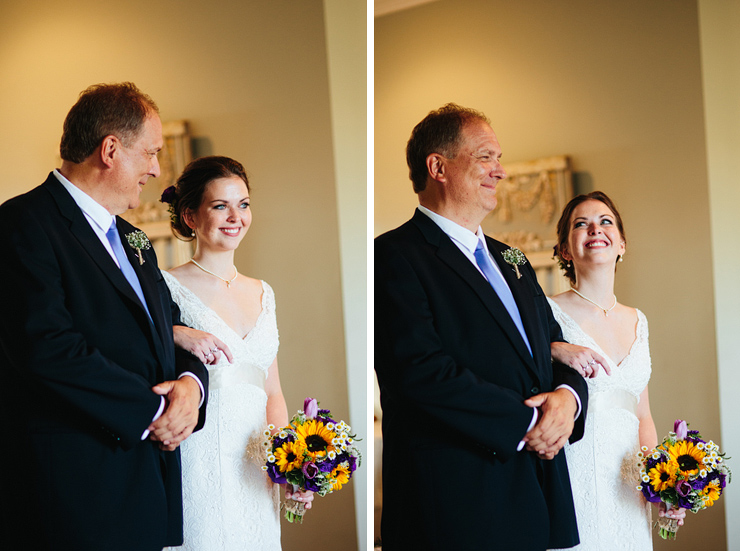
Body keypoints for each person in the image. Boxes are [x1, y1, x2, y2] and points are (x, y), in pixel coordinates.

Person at [0, 82, 209, 551]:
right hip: (77, 497)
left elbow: (172, 332)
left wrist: (191, 390)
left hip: (147, 489)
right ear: (111, 150)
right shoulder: (23, 225)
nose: (156, 169)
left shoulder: (135, 240)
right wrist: (156, 411)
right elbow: (47, 348)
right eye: (150, 154)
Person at [375, 103, 591, 550]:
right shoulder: (393, 256)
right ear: (438, 166)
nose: (500, 171)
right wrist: (531, 421)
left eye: (499, 158)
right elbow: (418, 372)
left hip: (536, 489)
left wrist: (569, 400)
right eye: (486, 157)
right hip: (456, 500)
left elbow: (553, 344)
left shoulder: (511, 258)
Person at [159, 155, 312, 551]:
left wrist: (289, 463)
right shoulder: (165, 286)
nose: (235, 216)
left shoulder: (264, 292)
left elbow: (272, 390)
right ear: (190, 216)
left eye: (243, 204)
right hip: (199, 456)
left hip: (255, 465)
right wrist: (175, 331)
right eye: (219, 205)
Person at [548, 191, 685, 550]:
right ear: (565, 249)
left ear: (621, 244)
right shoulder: (547, 312)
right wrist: (554, 348)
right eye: (581, 224)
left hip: (629, 487)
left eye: (605, 221)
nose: (596, 229)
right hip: (574, 472)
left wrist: (663, 485)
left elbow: (643, 415)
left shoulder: (639, 320)